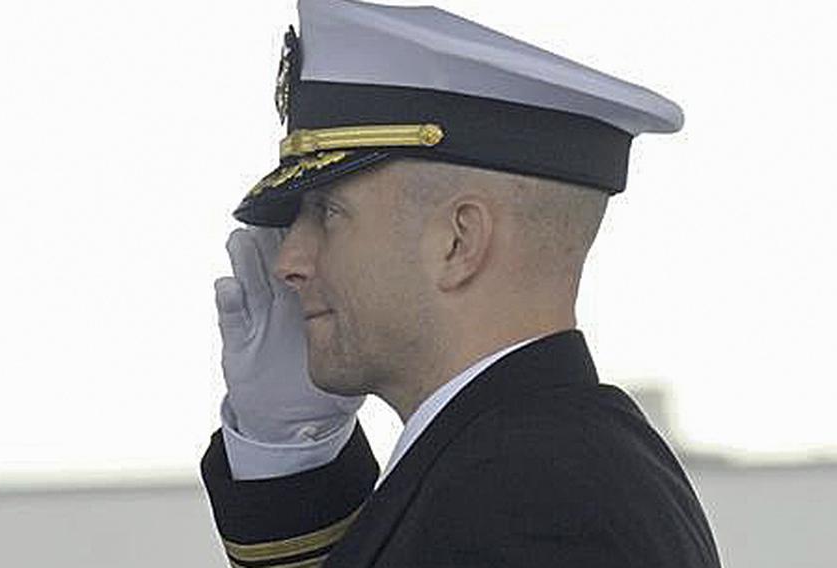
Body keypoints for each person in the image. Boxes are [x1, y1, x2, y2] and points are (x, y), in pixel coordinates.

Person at [201, 1, 721, 566]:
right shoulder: (523, 466)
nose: (289, 262)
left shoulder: (530, 499)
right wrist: (289, 454)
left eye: (327, 212)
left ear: (458, 241)